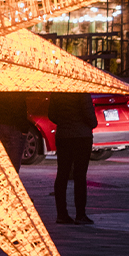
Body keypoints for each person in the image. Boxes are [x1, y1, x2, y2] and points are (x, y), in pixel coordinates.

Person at [49, 92, 96, 225]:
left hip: (63, 136)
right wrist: (92, 123)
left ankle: (61, 214)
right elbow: (89, 115)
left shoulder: (57, 92)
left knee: (62, 174)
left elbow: (51, 114)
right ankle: (80, 214)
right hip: (81, 136)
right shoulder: (81, 92)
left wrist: (64, 122)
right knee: (80, 175)